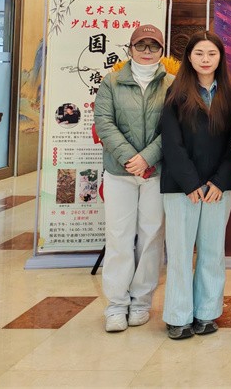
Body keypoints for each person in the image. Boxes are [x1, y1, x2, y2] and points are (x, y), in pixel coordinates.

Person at [94, 24, 174, 333]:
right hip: (120, 172)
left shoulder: (173, 84)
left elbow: (175, 127)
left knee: (152, 237)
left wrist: (148, 158)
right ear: (130, 48)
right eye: (141, 45)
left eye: (154, 46)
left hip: (156, 173)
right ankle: (116, 304)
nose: (147, 51)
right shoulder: (111, 82)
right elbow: (104, 122)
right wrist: (131, 159)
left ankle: (141, 301)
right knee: (119, 237)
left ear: (162, 51)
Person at [161, 31, 231, 340]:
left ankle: (206, 313)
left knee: (212, 251)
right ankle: (178, 317)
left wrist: (220, 181)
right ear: (189, 58)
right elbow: (171, 143)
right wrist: (190, 182)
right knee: (180, 253)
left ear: (220, 58)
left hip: (218, 188)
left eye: (211, 54)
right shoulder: (175, 92)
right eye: (199, 54)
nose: (205, 59)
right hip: (182, 187)